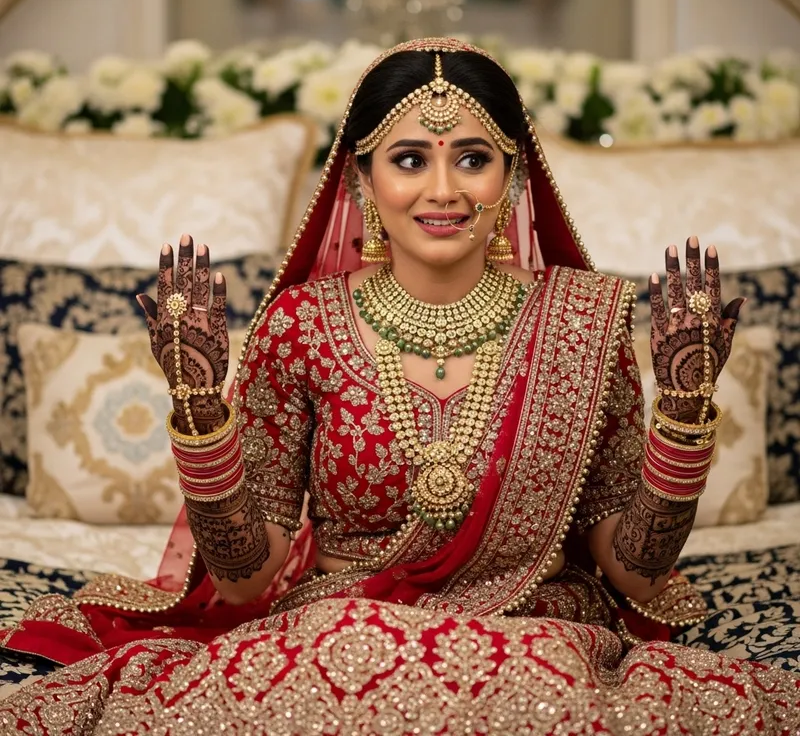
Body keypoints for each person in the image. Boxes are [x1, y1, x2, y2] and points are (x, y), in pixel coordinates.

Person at [1, 37, 798, 734]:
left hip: (537, 638)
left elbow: (632, 571)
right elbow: (247, 575)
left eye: (473, 158)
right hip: (342, 637)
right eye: (411, 158)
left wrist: (686, 416)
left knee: (543, 690)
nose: (443, 189)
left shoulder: (585, 325)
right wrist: (202, 416)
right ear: (361, 181)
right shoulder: (301, 325)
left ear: (513, 177)